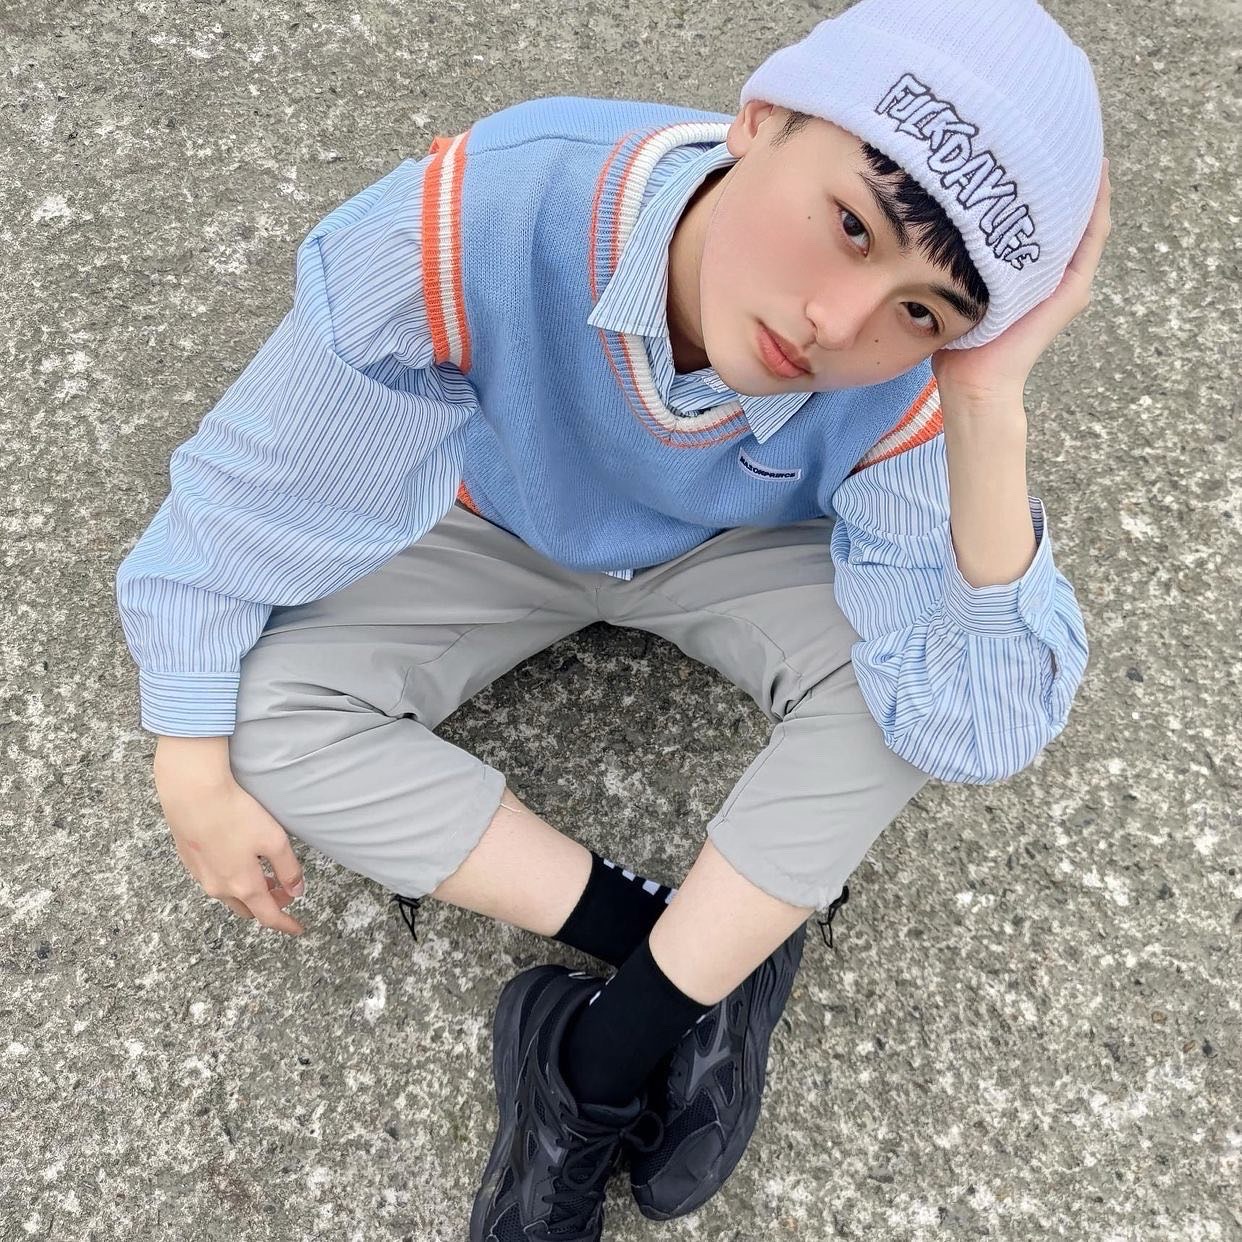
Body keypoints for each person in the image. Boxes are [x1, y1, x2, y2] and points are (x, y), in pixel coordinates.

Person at [114, 0, 1110, 1235]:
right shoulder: (487, 208)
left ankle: (602, 1049)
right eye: (852, 225)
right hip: (494, 518)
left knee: (912, 699)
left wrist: (988, 397)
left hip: (739, 547)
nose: (840, 324)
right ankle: (690, 949)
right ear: (762, 116)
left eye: (925, 310)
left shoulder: (906, 385)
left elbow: (978, 721)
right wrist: (186, 750)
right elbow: (259, 478)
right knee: (257, 716)